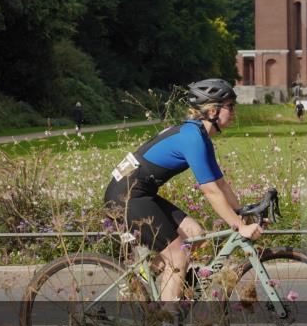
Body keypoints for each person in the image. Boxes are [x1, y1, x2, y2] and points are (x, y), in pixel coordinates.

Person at [104, 79, 262, 302]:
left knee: (195, 236)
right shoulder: (193, 138)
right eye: (230, 106)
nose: (234, 111)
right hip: (126, 197)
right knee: (177, 259)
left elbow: (220, 184)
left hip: (139, 193)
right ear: (212, 110)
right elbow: (210, 191)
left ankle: (140, 280)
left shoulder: (199, 136)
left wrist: (243, 212)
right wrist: (239, 226)